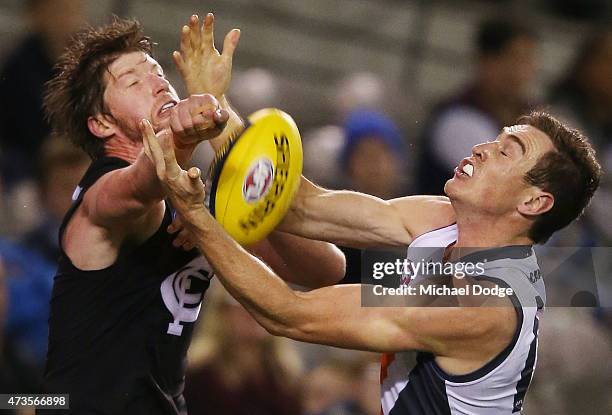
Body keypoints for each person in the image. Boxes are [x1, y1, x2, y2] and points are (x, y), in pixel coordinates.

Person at [144, 109, 601, 414]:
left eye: (506, 152)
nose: (483, 147)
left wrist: (199, 218)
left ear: (534, 202)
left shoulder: (483, 304)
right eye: (495, 138)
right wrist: (220, 115)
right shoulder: (442, 220)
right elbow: (303, 204)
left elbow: (290, 314)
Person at [40, 14, 344, 415]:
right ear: (100, 124)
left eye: (157, 72)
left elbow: (324, 270)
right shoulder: (101, 192)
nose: (158, 82)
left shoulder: (195, 202)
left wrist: (252, 183)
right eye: (133, 81)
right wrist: (179, 140)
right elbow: (139, 186)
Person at [418, 17, 537, 195]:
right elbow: (499, 182)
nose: (521, 71)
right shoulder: (455, 117)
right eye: (514, 59)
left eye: (527, 60)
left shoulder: (534, 114)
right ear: (486, 61)